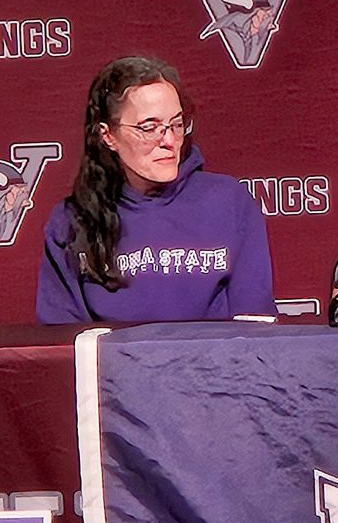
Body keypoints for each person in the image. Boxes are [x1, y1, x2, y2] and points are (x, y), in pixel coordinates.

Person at [36, 56, 276, 323]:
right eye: (149, 128)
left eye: (176, 124)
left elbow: (255, 326)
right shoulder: (71, 220)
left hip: (215, 364)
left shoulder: (229, 202)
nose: (169, 141)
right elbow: (62, 342)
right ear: (108, 136)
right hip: (117, 366)